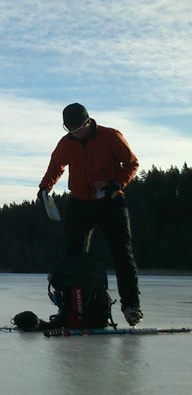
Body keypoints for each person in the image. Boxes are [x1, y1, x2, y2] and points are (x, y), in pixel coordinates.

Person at [38, 103, 142, 326]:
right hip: (80, 202)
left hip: (110, 201)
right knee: (73, 257)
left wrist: (117, 184)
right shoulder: (66, 143)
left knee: (122, 253)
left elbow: (132, 163)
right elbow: (57, 165)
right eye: (70, 129)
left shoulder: (110, 136)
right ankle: (73, 308)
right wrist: (45, 187)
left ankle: (131, 306)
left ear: (88, 122)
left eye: (79, 128)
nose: (75, 133)